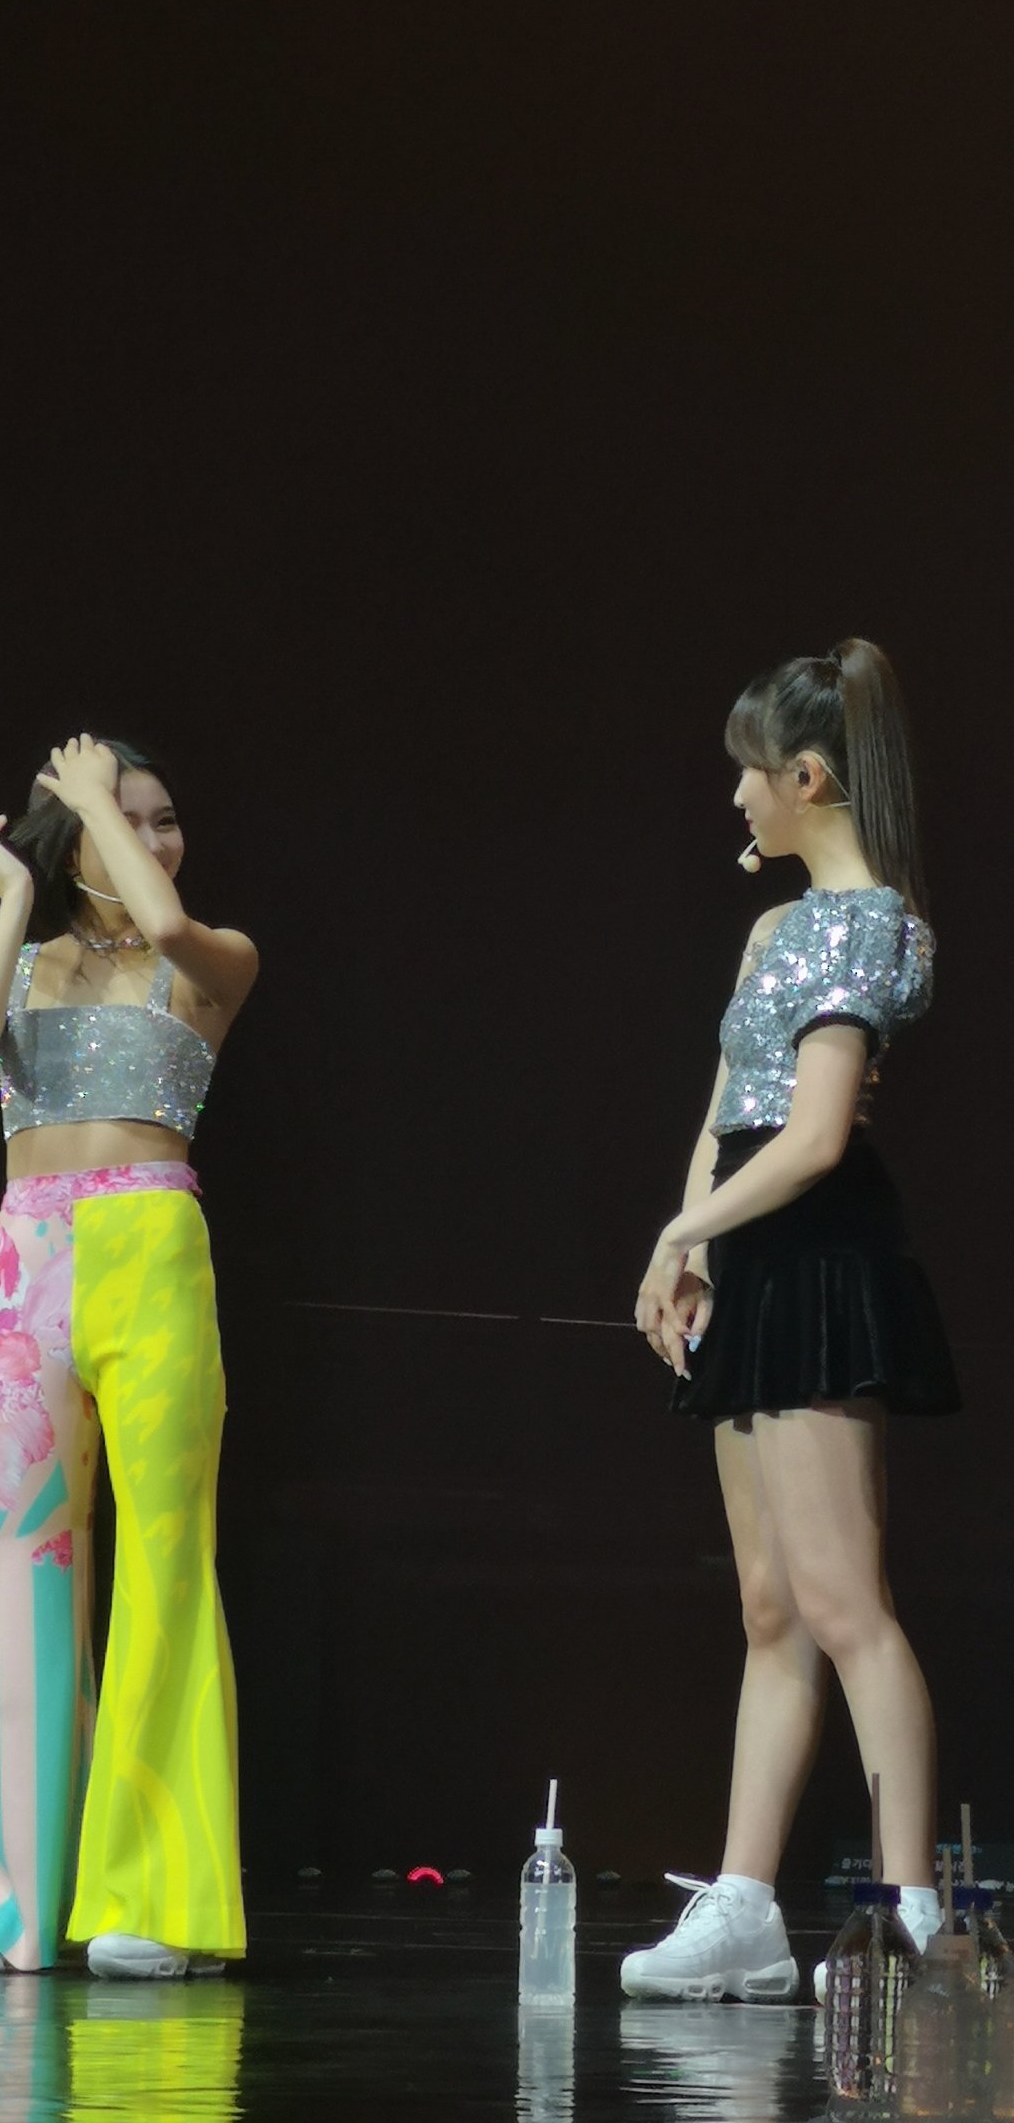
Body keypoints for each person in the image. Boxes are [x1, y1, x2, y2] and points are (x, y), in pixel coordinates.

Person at [622, 641, 958, 2004]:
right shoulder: (775, 930)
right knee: (770, 1604)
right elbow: (731, 1103)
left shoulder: (867, 923)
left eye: (750, 774)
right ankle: (748, 1906)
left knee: (842, 1600)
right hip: (750, 1245)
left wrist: (692, 1231)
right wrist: (686, 1239)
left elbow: (815, 1136)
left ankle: (909, 1910)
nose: (737, 798)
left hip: (815, 1248)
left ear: (807, 777)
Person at [0, 734, 258, 1979]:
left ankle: (156, 1897)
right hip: (27, 1262)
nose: (157, 837)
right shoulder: (20, 960)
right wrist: (16, 893)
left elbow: (165, 916)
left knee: (165, 1558)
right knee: (31, 1563)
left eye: (167, 816)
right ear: (69, 842)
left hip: (152, 1249)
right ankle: (8, 1901)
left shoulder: (209, 956)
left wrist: (88, 797)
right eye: (130, 817)